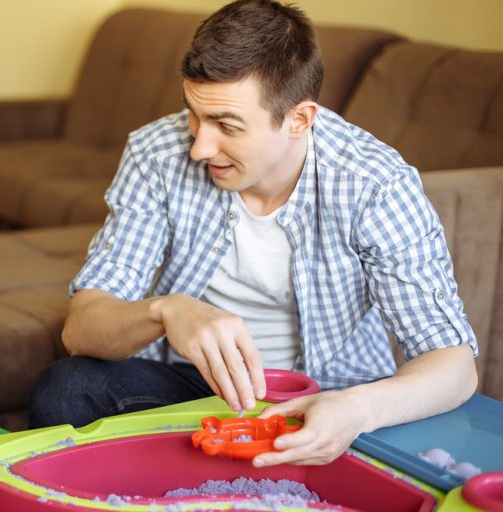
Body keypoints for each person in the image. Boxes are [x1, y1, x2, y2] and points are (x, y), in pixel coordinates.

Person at [29, 0, 478, 468]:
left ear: (300, 119)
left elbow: (454, 365)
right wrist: (167, 311)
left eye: (227, 125)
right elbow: (81, 327)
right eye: (194, 114)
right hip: (195, 387)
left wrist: (357, 409)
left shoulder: (374, 183)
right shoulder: (155, 154)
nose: (201, 146)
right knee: (65, 387)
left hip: (334, 394)